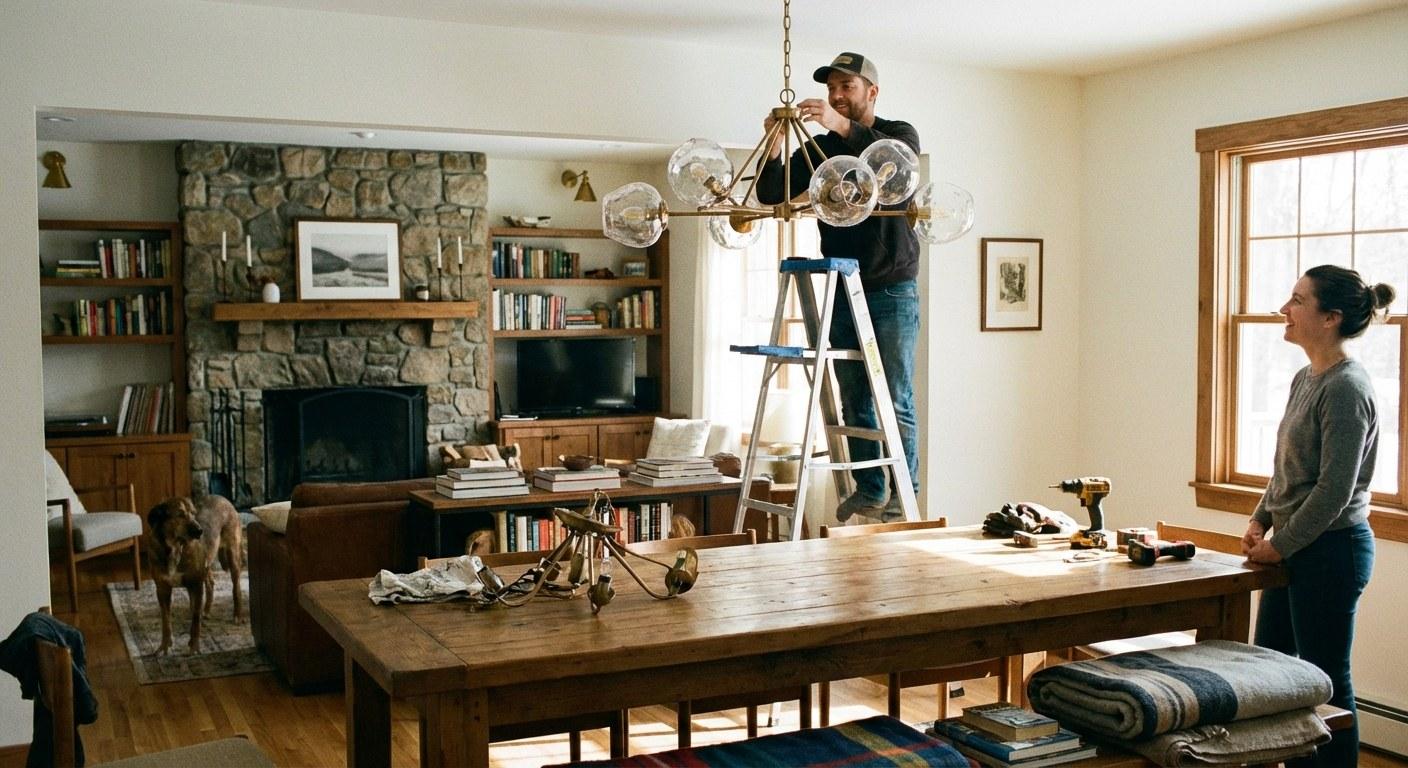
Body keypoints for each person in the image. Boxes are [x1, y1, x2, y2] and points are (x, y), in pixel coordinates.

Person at [757, 52, 920, 523]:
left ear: (872, 91)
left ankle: (901, 499)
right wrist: (773, 139)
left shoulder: (898, 136)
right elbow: (771, 192)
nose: (835, 95)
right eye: (832, 88)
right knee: (853, 396)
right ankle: (870, 488)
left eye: (846, 86)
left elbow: (895, 161)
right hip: (843, 283)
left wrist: (839, 125)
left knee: (897, 397)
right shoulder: (821, 148)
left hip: (891, 287)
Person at [1243, 264, 1393, 767]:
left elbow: (1333, 490)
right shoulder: (1304, 377)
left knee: (1324, 682)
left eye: (1296, 300)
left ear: (1329, 318)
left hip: (1332, 551)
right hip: (1295, 545)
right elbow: (1286, 468)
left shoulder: (1347, 388)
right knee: (1273, 672)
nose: (1283, 309)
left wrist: (1280, 545)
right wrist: (1260, 518)